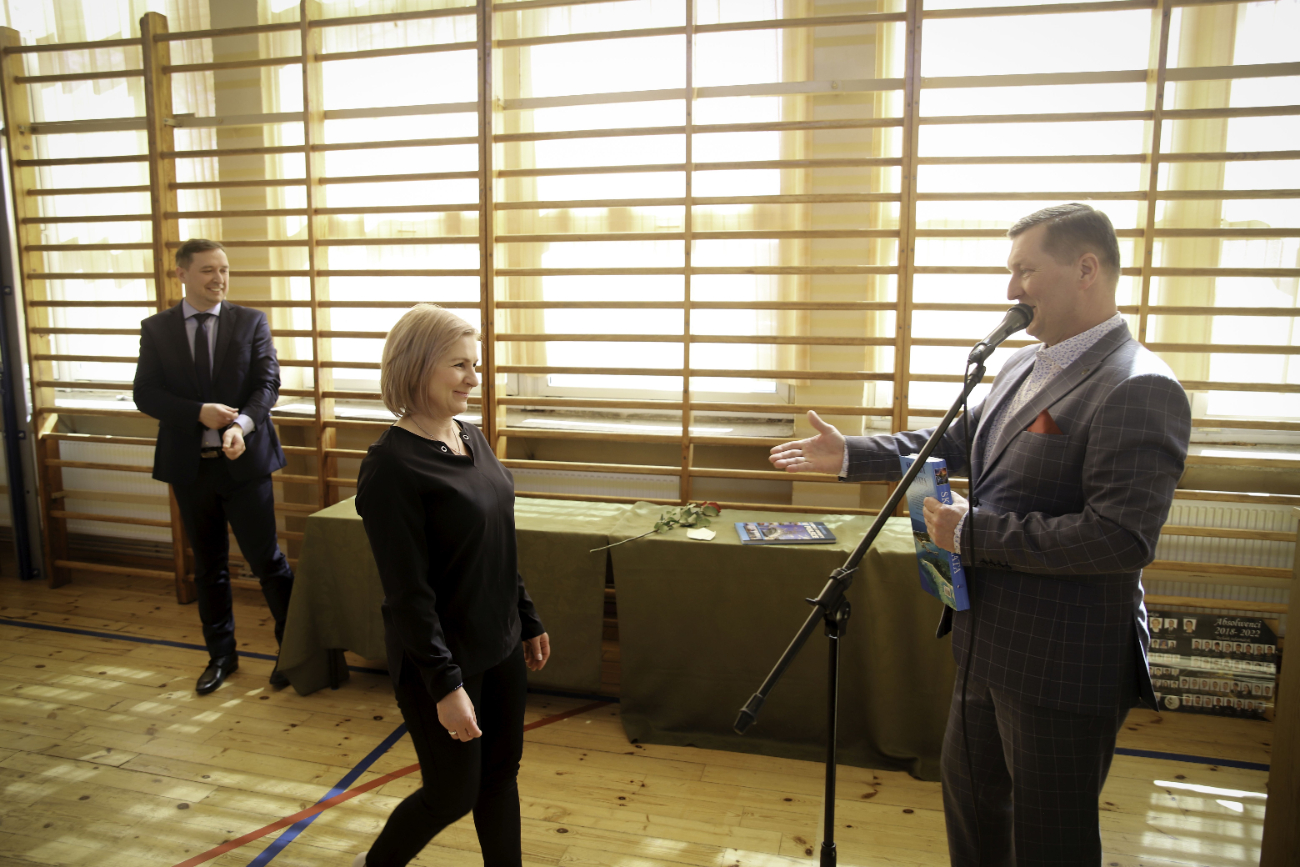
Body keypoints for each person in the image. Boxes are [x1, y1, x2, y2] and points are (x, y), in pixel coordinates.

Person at [769, 204, 1191, 866]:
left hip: (1063, 661)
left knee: (1051, 842)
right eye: (1010, 271)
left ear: (1086, 269)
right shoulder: (1021, 366)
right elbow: (954, 440)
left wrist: (974, 532)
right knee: (972, 817)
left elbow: (1120, 538)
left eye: (1025, 270)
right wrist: (850, 453)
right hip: (982, 639)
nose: (1010, 289)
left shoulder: (1138, 386)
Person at [352, 304, 551, 867]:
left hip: (501, 642)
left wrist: (526, 617)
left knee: (499, 777)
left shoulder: (472, 438)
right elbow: (407, 594)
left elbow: (495, 544)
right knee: (451, 794)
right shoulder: (391, 467)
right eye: (460, 365)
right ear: (417, 367)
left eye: (475, 365)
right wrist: (445, 686)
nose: (473, 378)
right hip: (440, 660)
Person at [134, 239, 294, 695]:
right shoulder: (157, 329)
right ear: (181, 274)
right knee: (208, 567)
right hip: (191, 468)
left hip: (245, 463)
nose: (219, 278)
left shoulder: (251, 321)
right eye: (207, 270)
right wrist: (197, 413)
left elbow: (267, 384)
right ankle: (221, 656)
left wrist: (241, 425)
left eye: (223, 269)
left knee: (268, 562)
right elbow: (146, 393)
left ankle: (292, 652)